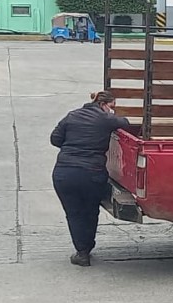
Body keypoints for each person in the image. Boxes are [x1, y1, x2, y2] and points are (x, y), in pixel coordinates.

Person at [50, 90, 130, 266]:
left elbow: (55, 139)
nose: (112, 110)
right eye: (112, 107)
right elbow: (125, 123)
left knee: (74, 213)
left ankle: (82, 252)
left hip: (64, 173)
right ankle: (87, 247)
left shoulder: (72, 116)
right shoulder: (106, 119)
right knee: (90, 211)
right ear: (103, 105)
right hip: (91, 173)